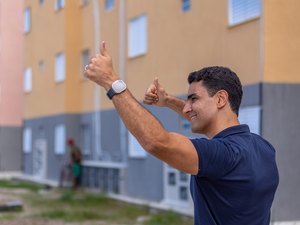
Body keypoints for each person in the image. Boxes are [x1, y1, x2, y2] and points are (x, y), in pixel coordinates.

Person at [84, 41, 279, 225]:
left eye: (193, 99)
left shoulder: (224, 157)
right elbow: (210, 124)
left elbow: (157, 142)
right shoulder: (263, 148)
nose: (187, 108)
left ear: (220, 99)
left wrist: (112, 82)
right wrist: (167, 100)